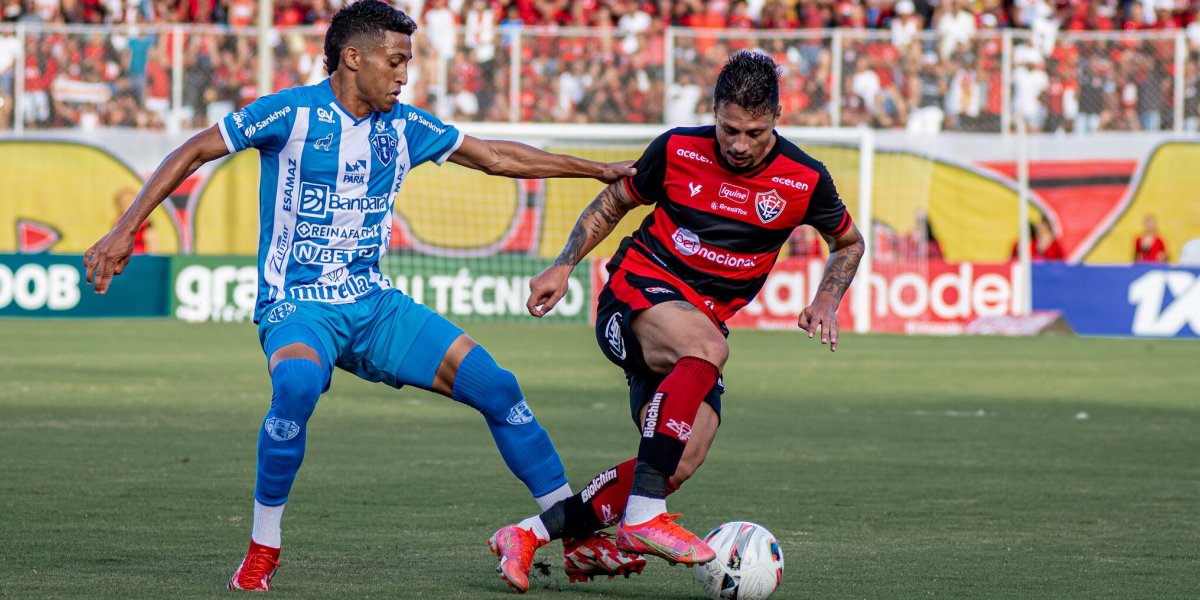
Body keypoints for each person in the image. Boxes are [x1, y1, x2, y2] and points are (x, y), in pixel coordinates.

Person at [83, 0, 645, 592]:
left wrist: (596, 170)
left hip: (375, 307)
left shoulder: (405, 127)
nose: (405, 76)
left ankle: (578, 538)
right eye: (396, 61)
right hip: (298, 306)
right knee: (296, 387)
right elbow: (196, 148)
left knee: (499, 388)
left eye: (408, 63)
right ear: (353, 58)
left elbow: (497, 157)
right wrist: (125, 231)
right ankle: (262, 549)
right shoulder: (291, 113)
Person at [487, 50, 865, 593]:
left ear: (776, 120)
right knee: (708, 348)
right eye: (729, 128)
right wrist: (565, 264)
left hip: (693, 330)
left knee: (680, 458)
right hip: (635, 295)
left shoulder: (804, 179)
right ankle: (642, 516)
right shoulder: (677, 148)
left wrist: (828, 298)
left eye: (754, 133)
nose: (738, 144)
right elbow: (615, 202)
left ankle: (525, 535)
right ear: (714, 111)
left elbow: (848, 243)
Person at [113, 188, 156, 255]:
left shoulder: (145, 223)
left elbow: (152, 244)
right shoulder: (118, 222)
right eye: (123, 204)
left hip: (141, 257)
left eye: (128, 203)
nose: (125, 208)